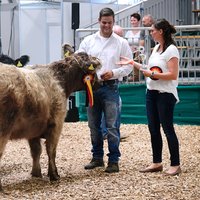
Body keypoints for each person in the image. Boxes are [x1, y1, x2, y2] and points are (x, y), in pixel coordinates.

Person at [117, 18, 181, 176]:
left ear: (161, 32)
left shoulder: (171, 50)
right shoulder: (156, 48)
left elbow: (173, 75)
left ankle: (175, 164)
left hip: (165, 95)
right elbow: (148, 68)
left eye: (153, 30)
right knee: (153, 129)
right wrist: (133, 63)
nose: (150, 32)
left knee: (167, 129)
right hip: (151, 92)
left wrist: (152, 74)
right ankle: (156, 162)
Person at [77, 7, 133, 173]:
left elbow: (129, 66)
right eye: (103, 22)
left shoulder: (121, 43)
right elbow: (79, 60)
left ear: (113, 22)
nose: (106, 25)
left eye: (109, 23)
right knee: (93, 126)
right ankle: (97, 157)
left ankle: (114, 160)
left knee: (112, 126)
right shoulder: (88, 41)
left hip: (111, 87)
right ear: (98, 22)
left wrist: (114, 73)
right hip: (91, 88)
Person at [125, 13, 141, 82]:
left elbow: (142, 44)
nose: (133, 22)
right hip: (129, 51)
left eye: (134, 20)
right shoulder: (128, 32)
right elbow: (125, 42)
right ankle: (126, 76)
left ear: (138, 21)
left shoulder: (141, 31)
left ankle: (135, 76)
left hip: (138, 52)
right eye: (131, 20)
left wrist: (137, 49)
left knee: (136, 56)